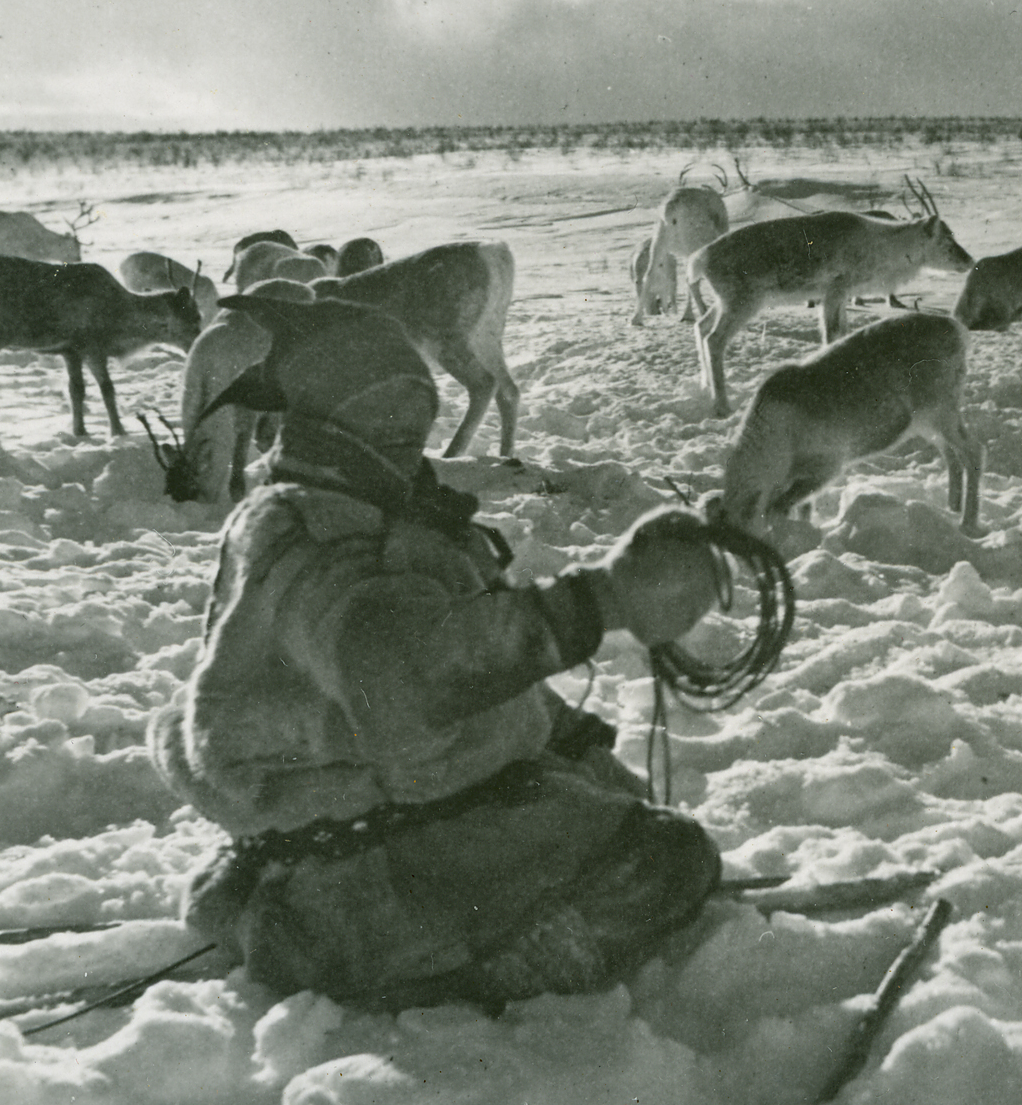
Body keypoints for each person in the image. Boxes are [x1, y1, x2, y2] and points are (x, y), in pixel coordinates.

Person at [150, 294, 726, 1012]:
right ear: (331, 416)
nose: (406, 427)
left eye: (415, 406)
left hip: (368, 828)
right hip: (367, 881)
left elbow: (474, 671)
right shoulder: (316, 544)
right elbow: (406, 678)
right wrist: (595, 604)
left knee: (648, 834)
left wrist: (581, 754)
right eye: (383, 409)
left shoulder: (366, 506)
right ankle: (446, 978)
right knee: (671, 863)